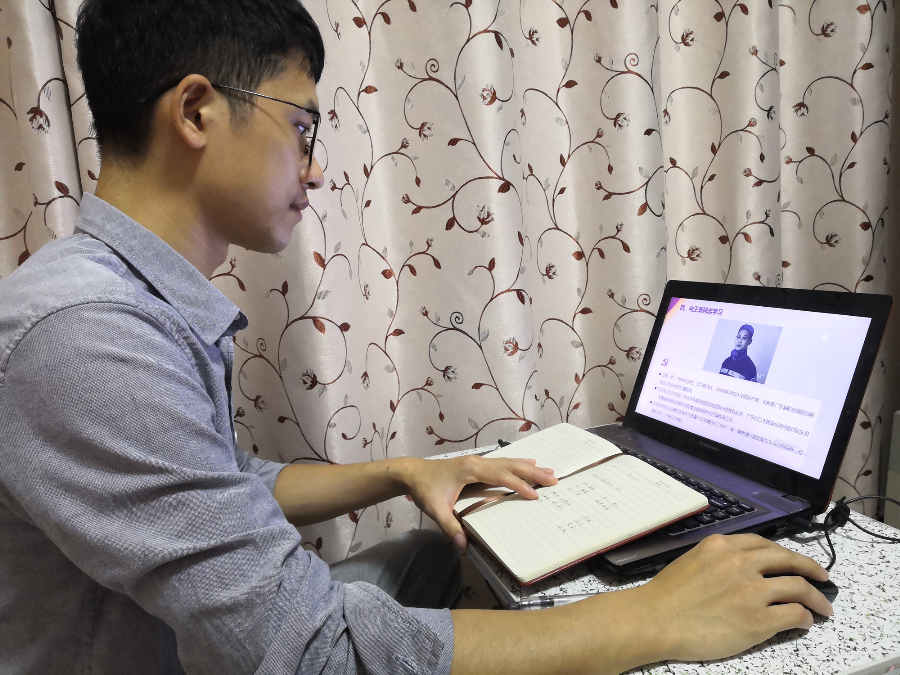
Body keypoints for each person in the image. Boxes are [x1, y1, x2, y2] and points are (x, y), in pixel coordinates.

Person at [0, 2, 833, 673]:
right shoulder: (89, 337)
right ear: (195, 110)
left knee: (430, 555)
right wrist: (650, 616)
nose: (315, 167)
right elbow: (316, 654)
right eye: (302, 126)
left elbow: (221, 483)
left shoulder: (129, 301)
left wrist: (404, 470)